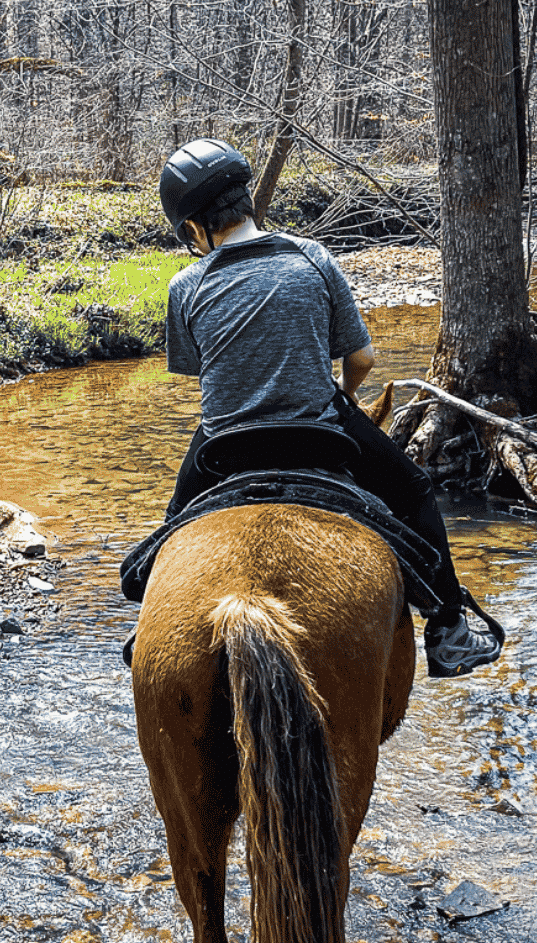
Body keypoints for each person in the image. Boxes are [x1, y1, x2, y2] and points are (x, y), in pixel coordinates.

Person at [156, 137, 502, 678]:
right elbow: (362, 357)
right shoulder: (312, 257)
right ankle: (449, 629)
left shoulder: (185, 285)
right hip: (317, 427)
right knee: (413, 491)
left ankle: (150, 634)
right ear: (247, 201)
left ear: (196, 228)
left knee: (174, 523)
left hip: (225, 441)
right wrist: (342, 390)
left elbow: (207, 372)